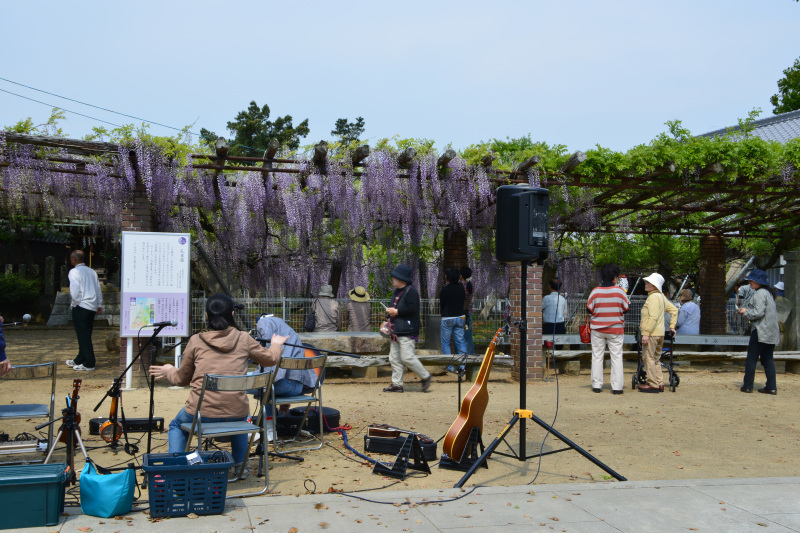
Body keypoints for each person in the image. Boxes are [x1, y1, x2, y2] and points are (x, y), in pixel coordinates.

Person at [149, 294, 288, 476]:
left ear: (207, 316)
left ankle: (176, 468)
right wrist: (276, 345)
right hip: (236, 412)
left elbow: (181, 379)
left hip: (201, 413)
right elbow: (270, 359)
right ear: (232, 313)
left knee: (176, 425)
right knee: (239, 415)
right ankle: (240, 466)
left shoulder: (196, 340)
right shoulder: (244, 338)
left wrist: (169, 370)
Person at [383, 264, 432, 393]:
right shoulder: (397, 292)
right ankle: (397, 384)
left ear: (401, 279)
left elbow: (412, 309)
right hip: (396, 330)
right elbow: (393, 308)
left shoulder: (411, 292)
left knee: (407, 357)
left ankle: (426, 376)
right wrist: (387, 317)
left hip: (407, 330)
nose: (392, 280)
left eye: (394, 277)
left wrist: (396, 311)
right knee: (394, 358)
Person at [586, 264, 630, 395]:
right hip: (615, 330)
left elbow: (589, 309)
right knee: (616, 357)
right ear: (615, 277)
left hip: (598, 330)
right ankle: (617, 387)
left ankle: (596, 385)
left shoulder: (595, 291)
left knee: (597, 356)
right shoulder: (620, 292)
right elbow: (626, 309)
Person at [738, 269, 780, 395]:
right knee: (768, 359)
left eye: (752, 280)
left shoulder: (760, 293)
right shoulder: (768, 293)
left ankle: (748, 386)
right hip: (772, 332)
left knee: (751, 359)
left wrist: (745, 311)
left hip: (761, 331)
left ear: (758, 282)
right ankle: (771, 387)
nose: (750, 282)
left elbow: (758, 313)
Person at [638, 273, 678, 393]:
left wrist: (646, 333)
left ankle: (652, 384)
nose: (646, 284)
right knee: (655, 359)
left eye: (649, 283)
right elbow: (674, 310)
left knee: (648, 358)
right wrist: (672, 327)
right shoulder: (661, 297)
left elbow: (653, 316)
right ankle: (659, 383)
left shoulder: (653, 298)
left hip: (652, 334)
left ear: (655, 285)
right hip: (660, 333)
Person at [66, 250, 102, 372]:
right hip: (92, 307)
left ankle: (89, 363)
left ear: (73, 260)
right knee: (85, 334)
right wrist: (99, 304)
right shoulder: (92, 271)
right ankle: (80, 358)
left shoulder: (74, 271)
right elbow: (98, 288)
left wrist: (75, 303)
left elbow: (75, 291)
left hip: (81, 305)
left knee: (83, 336)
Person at [439, 267, 467, 355]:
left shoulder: (445, 289)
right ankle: (462, 366)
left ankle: (450, 367)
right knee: (460, 342)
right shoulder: (461, 288)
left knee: (445, 343)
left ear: (448, 277)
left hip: (448, 317)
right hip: (460, 317)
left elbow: (442, 304)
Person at [460, 266, 476, 354]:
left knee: (462, 338)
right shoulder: (471, 285)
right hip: (469, 314)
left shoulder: (461, 285)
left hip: (463, 315)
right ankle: (471, 355)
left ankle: (465, 357)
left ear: (461, 275)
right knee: (468, 337)